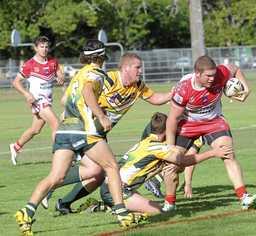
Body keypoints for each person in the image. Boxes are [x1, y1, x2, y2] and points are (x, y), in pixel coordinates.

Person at [14, 40, 138, 236]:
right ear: (100, 58)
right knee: (112, 167)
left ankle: (26, 212)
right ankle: (122, 213)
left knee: (56, 177)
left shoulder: (78, 74)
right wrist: (101, 116)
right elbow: (88, 92)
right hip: (84, 130)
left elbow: (64, 100)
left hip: (64, 130)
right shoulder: (97, 74)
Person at [41, 52, 173, 213]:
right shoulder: (107, 79)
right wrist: (89, 114)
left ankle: (63, 202)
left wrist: (172, 94)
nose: (140, 71)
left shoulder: (137, 86)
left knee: (98, 175)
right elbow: (82, 93)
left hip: (98, 134)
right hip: (83, 131)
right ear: (126, 68)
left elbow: (155, 98)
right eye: (137, 67)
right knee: (98, 171)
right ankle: (52, 184)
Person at [67, 112, 233, 215]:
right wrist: (213, 153)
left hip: (111, 185)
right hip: (118, 190)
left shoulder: (146, 142)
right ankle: (108, 207)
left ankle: (107, 206)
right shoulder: (157, 148)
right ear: (165, 131)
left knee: (158, 209)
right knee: (160, 213)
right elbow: (183, 160)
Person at [164, 55, 256, 211]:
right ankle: (169, 203)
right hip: (188, 124)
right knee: (172, 164)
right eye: (208, 76)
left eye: (214, 75)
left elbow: (235, 68)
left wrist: (246, 87)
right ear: (197, 73)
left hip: (213, 122)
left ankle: (244, 197)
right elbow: (172, 120)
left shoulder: (220, 74)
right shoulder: (184, 88)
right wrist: (169, 148)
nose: (212, 79)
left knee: (228, 152)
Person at [10, 36, 64, 165]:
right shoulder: (29, 64)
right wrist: (27, 94)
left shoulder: (52, 61)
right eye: (41, 47)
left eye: (46, 47)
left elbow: (58, 71)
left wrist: (60, 76)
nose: (45, 49)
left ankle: (16, 146)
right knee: (56, 124)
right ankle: (60, 156)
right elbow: (16, 82)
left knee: (36, 129)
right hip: (38, 101)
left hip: (48, 100)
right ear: (35, 48)